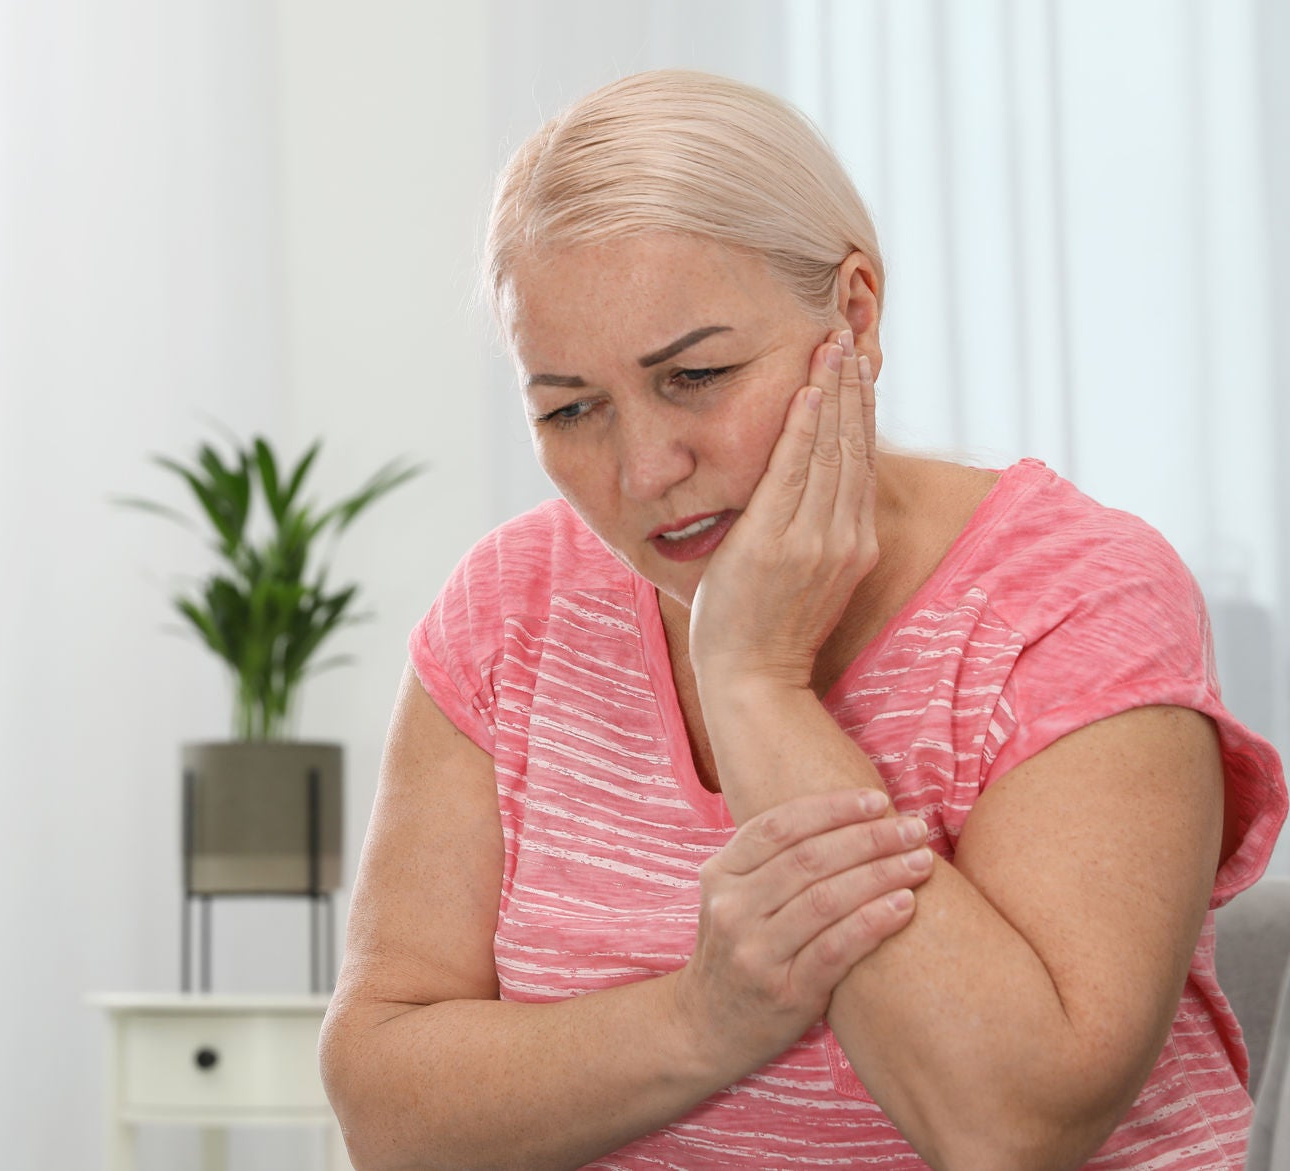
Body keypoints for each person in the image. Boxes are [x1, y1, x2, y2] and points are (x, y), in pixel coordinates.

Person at [318, 68, 1289, 1170]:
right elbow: (384, 1113)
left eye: (694, 375)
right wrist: (701, 1018)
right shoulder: (508, 612)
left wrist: (753, 682)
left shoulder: (1074, 600)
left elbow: (1011, 1123)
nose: (643, 469)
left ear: (853, 315)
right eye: (569, 408)